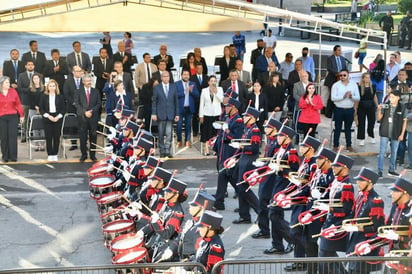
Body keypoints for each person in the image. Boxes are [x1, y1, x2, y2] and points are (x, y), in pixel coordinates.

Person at [317, 154, 355, 274]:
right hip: (329, 222)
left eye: (337, 167)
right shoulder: (336, 181)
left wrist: (330, 208)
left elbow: (346, 210)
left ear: (345, 168)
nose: (333, 168)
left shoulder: (347, 186)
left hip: (336, 225)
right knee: (328, 256)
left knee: (325, 257)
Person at [345, 168, 385, 274]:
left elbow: (377, 227)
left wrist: (360, 228)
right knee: (351, 269)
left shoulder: (376, 201)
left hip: (365, 242)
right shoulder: (361, 195)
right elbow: (353, 214)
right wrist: (347, 223)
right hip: (355, 239)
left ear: (369, 183)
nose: (357, 183)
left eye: (361, 180)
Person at [231, 106, 261, 224]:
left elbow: (254, 148)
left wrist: (241, 146)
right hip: (244, 159)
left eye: (246, 116)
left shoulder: (254, 130)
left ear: (252, 118)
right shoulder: (248, 129)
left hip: (249, 160)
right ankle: (244, 215)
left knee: (244, 188)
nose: (244, 118)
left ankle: (260, 211)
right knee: (240, 187)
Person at [214, 98, 243, 210]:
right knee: (222, 176)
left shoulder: (238, 120)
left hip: (231, 153)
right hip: (223, 152)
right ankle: (219, 202)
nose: (225, 108)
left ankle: (246, 199)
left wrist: (227, 131)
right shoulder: (228, 118)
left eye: (228, 106)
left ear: (234, 108)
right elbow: (221, 136)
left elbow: (237, 138)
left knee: (232, 177)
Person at [177, 189, 215, 260]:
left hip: (191, 265)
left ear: (201, 208)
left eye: (193, 206)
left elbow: (200, 255)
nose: (190, 207)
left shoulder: (202, 229)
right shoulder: (191, 222)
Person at [376, 90, 407, 177]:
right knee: (382, 152)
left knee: (394, 152)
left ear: (398, 98)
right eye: (390, 97)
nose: (390, 99)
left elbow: (405, 121)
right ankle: (380, 170)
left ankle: (391, 170)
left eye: (393, 97)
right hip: (385, 131)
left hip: (396, 132)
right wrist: (379, 110)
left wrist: (402, 134)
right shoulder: (386, 106)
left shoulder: (402, 107)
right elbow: (379, 119)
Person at [331, 69, 360, 152]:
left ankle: (349, 145)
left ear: (348, 76)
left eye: (344, 75)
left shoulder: (353, 85)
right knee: (338, 128)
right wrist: (343, 97)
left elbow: (358, 98)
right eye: (341, 75)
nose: (342, 77)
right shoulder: (336, 85)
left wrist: (351, 97)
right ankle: (335, 145)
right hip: (339, 109)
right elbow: (333, 98)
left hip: (349, 109)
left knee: (348, 128)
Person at [74, 74, 101, 162]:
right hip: (82, 117)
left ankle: (93, 155)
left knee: (93, 136)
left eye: (90, 81)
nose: (89, 82)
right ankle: (84, 154)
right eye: (87, 81)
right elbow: (77, 104)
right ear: (83, 82)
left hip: (93, 117)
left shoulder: (96, 91)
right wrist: (84, 112)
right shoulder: (78, 91)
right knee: (83, 136)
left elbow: (98, 104)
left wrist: (91, 111)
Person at [152, 71, 179, 158]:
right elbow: (154, 102)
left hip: (170, 114)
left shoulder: (173, 87)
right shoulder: (157, 88)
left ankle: (167, 150)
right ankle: (162, 151)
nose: (166, 78)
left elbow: (176, 102)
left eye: (167, 76)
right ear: (161, 78)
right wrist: (154, 113)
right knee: (161, 134)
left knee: (169, 134)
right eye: (164, 76)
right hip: (160, 114)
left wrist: (177, 114)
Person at [39, 79, 65, 162]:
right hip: (47, 117)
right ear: (47, 87)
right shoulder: (43, 96)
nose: (52, 87)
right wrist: (48, 116)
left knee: (56, 137)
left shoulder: (60, 96)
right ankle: (50, 154)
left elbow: (63, 109)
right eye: (50, 86)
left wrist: (58, 117)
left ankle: (55, 154)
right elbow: (41, 109)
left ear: (56, 87)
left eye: (54, 86)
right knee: (49, 137)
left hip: (57, 117)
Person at [0, 76, 24, 162]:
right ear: (2, 84)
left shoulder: (13, 91)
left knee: (13, 136)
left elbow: (18, 104)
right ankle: (5, 156)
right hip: (1, 117)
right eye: (6, 82)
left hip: (12, 116)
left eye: (8, 82)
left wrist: (21, 115)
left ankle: (13, 156)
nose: (8, 84)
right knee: (4, 137)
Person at [17, 60, 41, 143]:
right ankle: (24, 136)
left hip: (38, 103)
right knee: (25, 120)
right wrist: (29, 90)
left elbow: (42, 87)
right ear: (26, 66)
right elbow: (19, 88)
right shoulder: (21, 75)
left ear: (34, 66)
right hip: (25, 100)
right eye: (29, 65)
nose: (30, 66)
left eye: (32, 65)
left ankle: (39, 138)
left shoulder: (39, 75)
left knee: (36, 121)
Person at [199, 76, 223, 156]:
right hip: (207, 114)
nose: (213, 82)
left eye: (214, 81)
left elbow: (222, 100)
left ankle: (215, 149)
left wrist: (216, 92)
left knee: (215, 132)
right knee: (207, 132)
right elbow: (202, 103)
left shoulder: (219, 89)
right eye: (211, 81)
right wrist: (201, 115)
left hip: (216, 113)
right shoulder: (204, 90)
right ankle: (206, 149)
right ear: (208, 82)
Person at [176, 69, 199, 148]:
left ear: (189, 76)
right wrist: (184, 92)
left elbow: (197, 95)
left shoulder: (193, 84)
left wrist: (191, 90)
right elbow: (174, 95)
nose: (186, 76)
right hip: (179, 108)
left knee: (188, 125)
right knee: (179, 125)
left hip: (189, 108)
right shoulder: (177, 84)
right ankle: (179, 140)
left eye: (187, 74)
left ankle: (187, 140)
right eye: (184, 74)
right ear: (181, 75)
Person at [324, 45, 348, 117]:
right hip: (332, 79)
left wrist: (345, 73)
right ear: (334, 51)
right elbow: (329, 68)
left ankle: (337, 112)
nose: (340, 52)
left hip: (341, 80)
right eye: (338, 50)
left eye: (340, 50)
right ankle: (328, 113)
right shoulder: (330, 58)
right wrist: (337, 73)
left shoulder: (342, 58)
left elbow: (345, 68)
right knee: (332, 96)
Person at [356, 72, 378, 146]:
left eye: (368, 77)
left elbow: (375, 96)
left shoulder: (373, 87)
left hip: (371, 106)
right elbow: (357, 99)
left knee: (371, 122)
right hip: (361, 106)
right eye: (366, 77)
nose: (367, 79)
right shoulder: (359, 87)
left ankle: (371, 135)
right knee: (361, 123)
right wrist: (355, 109)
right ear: (363, 78)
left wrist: (377, 105)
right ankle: (361, 138)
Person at [190, 63, 209, 137]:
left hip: (205, 100)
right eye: (198, 68)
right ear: (196, 69)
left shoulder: (206, 77)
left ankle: (203, 130)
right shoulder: (192, 78)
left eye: (201, 68)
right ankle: (195, 131)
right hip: (195, 100)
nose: (200, 70)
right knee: (195, 116)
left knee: (204, 115)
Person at [27, 73, 45, 152]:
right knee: (35, 127)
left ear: (39, 79)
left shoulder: (44, 88)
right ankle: (37, 145)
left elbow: (44, 99)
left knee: (42, 127)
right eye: (34, 79)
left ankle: (42, 145)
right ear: (32, 80)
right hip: (32, 109)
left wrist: (40, 108)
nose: (36, 80)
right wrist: (36, 107)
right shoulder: (30, 89)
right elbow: (30, 100)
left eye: (37, 78)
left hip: (42, 109)